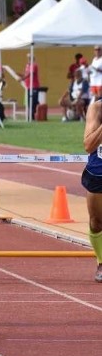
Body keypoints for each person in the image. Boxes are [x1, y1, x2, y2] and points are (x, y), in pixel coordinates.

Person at [81, 98, 102, 282]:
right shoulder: (97, 108)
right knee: (96, 222)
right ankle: (101, 262)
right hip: (99, 170)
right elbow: (88, 145)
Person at [22, 53, 42, 119]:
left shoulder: (34, 65)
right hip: (28, 86)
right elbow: (26, 74)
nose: (28, 59)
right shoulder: (27, 65)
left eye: (29, 58)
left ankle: (34, 115)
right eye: (28, 58)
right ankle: (31, 115)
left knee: (33, 101)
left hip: (34, 86)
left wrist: (23, 78)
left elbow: (31, 74)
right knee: (29, 101)